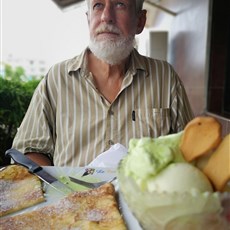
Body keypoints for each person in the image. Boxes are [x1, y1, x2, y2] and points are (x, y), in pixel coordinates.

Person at [12, 0, 194, 167]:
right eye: (98, 5)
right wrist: (62, 191)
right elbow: (27, 150)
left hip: (144, 202)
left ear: (140, 21)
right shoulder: (57, 78)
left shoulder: (165, 77)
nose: (106, 16)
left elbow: (193, 149)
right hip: (74, 201)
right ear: (88, 19)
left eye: (120, 4)